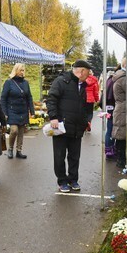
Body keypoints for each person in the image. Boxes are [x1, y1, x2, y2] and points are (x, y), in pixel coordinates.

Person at [46, 60, 91, 193]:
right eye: (88, 72)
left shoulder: (82, 86)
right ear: (81, 71)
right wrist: (53, 117)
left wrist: (86, 120)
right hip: (61, 126)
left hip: (77, 127)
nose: (89, 75)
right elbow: (51, 99)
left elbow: (83, 106)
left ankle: (73, 179)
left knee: (74, 156)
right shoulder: (61, 81)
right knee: (59, 155)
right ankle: (62, 181)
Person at [1, 63, 35, 159]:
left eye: (23, 70)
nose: (22, 72)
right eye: (21, 70)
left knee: (21, 132)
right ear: (16, 70)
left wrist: (32, 111)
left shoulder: (26, 83)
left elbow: (29, 97)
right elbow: (3, 98)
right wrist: (4, 112)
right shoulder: (9, 82)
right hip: (12, 110)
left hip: (23, 110)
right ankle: (10, 149)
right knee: (14, 130)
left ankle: (19, 151)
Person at [104, 66, 120, 159]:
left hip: (109, 106)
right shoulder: (116, 80)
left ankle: (108, 150)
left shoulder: (109, 79)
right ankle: (110, 151)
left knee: (109, 129)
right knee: (112, 130)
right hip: (115, 106)